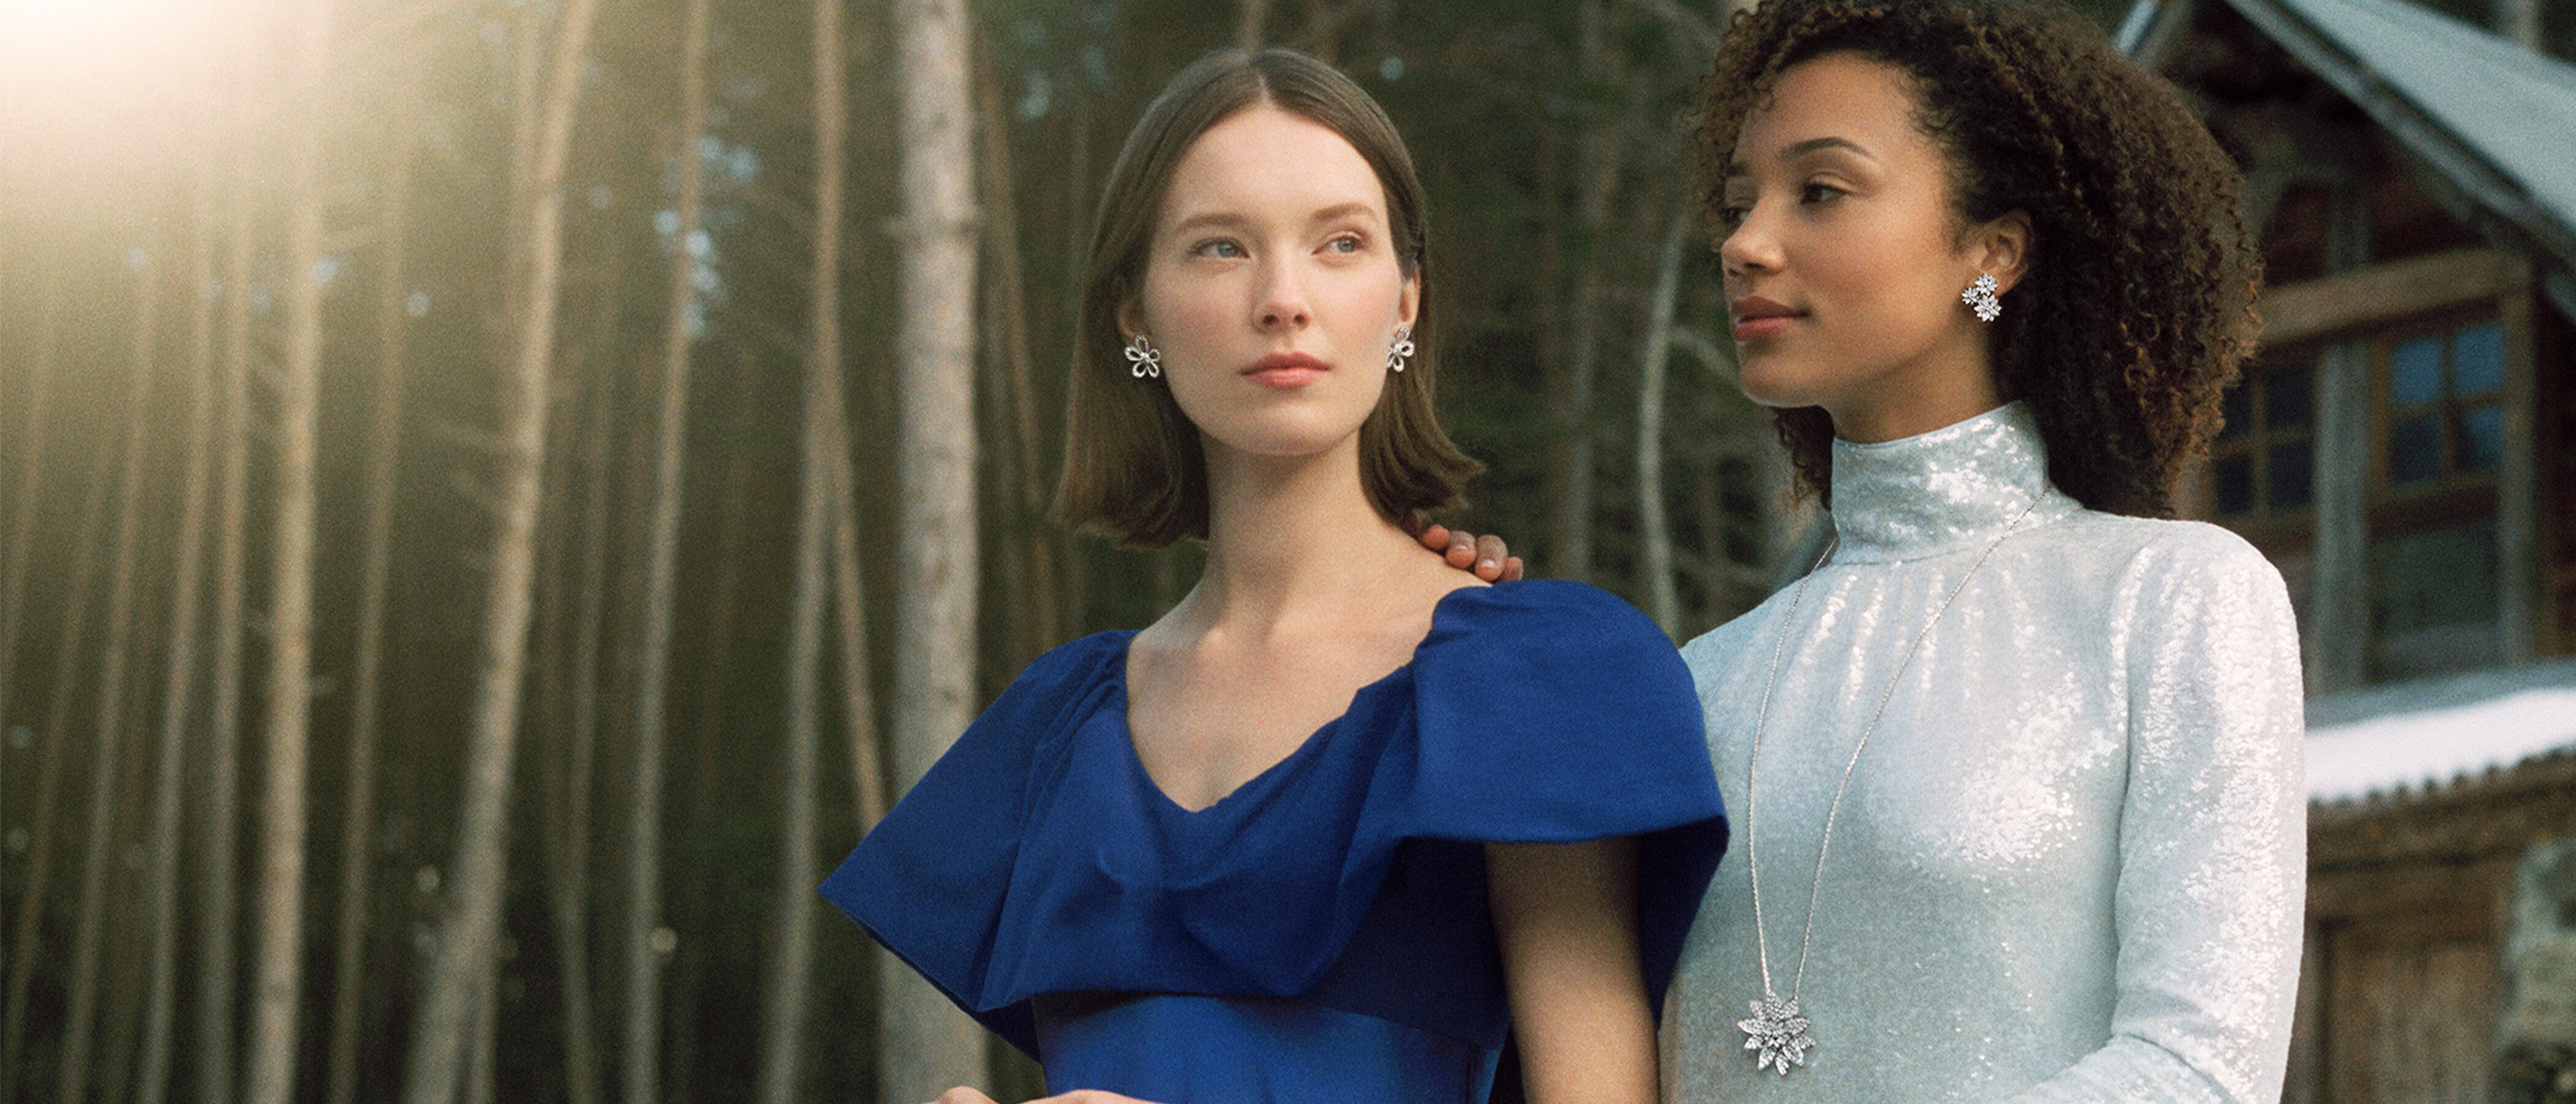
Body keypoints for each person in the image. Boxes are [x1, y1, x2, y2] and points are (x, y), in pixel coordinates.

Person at [1432, 1, 2306, 1098]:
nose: (1743, 244)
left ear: (1992, 252)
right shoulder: (1698, 681)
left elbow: (2201, 1071)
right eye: (1739, 204)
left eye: (1821, 191)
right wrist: (1447, 640)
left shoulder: (2172, 601)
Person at [821, 47, 1728, 1104]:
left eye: (1340, 243)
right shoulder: (1054, 727)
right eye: (1221, 247)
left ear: (1406, 302)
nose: (1283, 299)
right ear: (1135, 313)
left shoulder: (1538, 675)